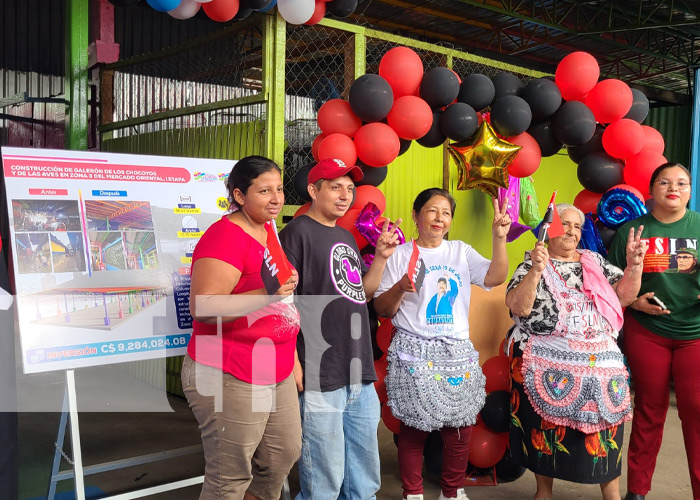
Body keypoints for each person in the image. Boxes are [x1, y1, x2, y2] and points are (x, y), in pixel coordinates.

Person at [373, 188, 511, 500]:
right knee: (414, 427)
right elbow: (382, 309)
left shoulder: (460, 252)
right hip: (414, 350)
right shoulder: (398, 255)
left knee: (460, 429)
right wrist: (400, 288)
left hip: (456, 353)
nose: (439, 218)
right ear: (415, 215)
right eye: (432, 211)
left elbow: (495, 277)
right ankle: (413, 492)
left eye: (446, 213)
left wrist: (499, 237)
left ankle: (452, 490)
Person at [279, 157, 401, 500]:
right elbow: (279, 303)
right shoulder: (296, 233)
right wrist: (292, 360)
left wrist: (381, 258)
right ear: (313, 190)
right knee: (324, 475)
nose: (345, 195)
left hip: (357, 367)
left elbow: (359, 293)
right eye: (335, 187)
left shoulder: (345, 235)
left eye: (350, 188)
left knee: (364, 474)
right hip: (319, 369)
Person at [506, 203, 646, 500]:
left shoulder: (594, 261)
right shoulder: (532, 262)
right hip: (547, 352)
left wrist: (635, 266)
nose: (571, 231)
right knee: (544, 423)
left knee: (607, 420)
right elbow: (519, 307)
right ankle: (543, 491)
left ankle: (612, 495)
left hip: (600, 356)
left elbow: (624, 297)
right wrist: (536, 270)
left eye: (576, 226)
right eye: (564, 224)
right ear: (549, 230)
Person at [183, 155, 301, 500]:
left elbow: (283, 301)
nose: (276, 198)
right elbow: (203, 308)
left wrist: (291, 358)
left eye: (279, 189)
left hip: (275, 365)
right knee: (230, 476)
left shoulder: (268, 230)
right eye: (264, 191)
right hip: (229, 368)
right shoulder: (224, 237)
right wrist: (266, 292)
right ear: (238, 195)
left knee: (283, 454)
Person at [608, 162, 700, 500]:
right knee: (649, 408)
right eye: (664, 182)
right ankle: (638, 492)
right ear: (651, 190)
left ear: (690, 191)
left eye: (681, 183)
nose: (673, 188)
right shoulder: (632, 231)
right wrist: (634, 303)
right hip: (648, 331)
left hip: (695, 333)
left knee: (696, 412)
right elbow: (611, 284)